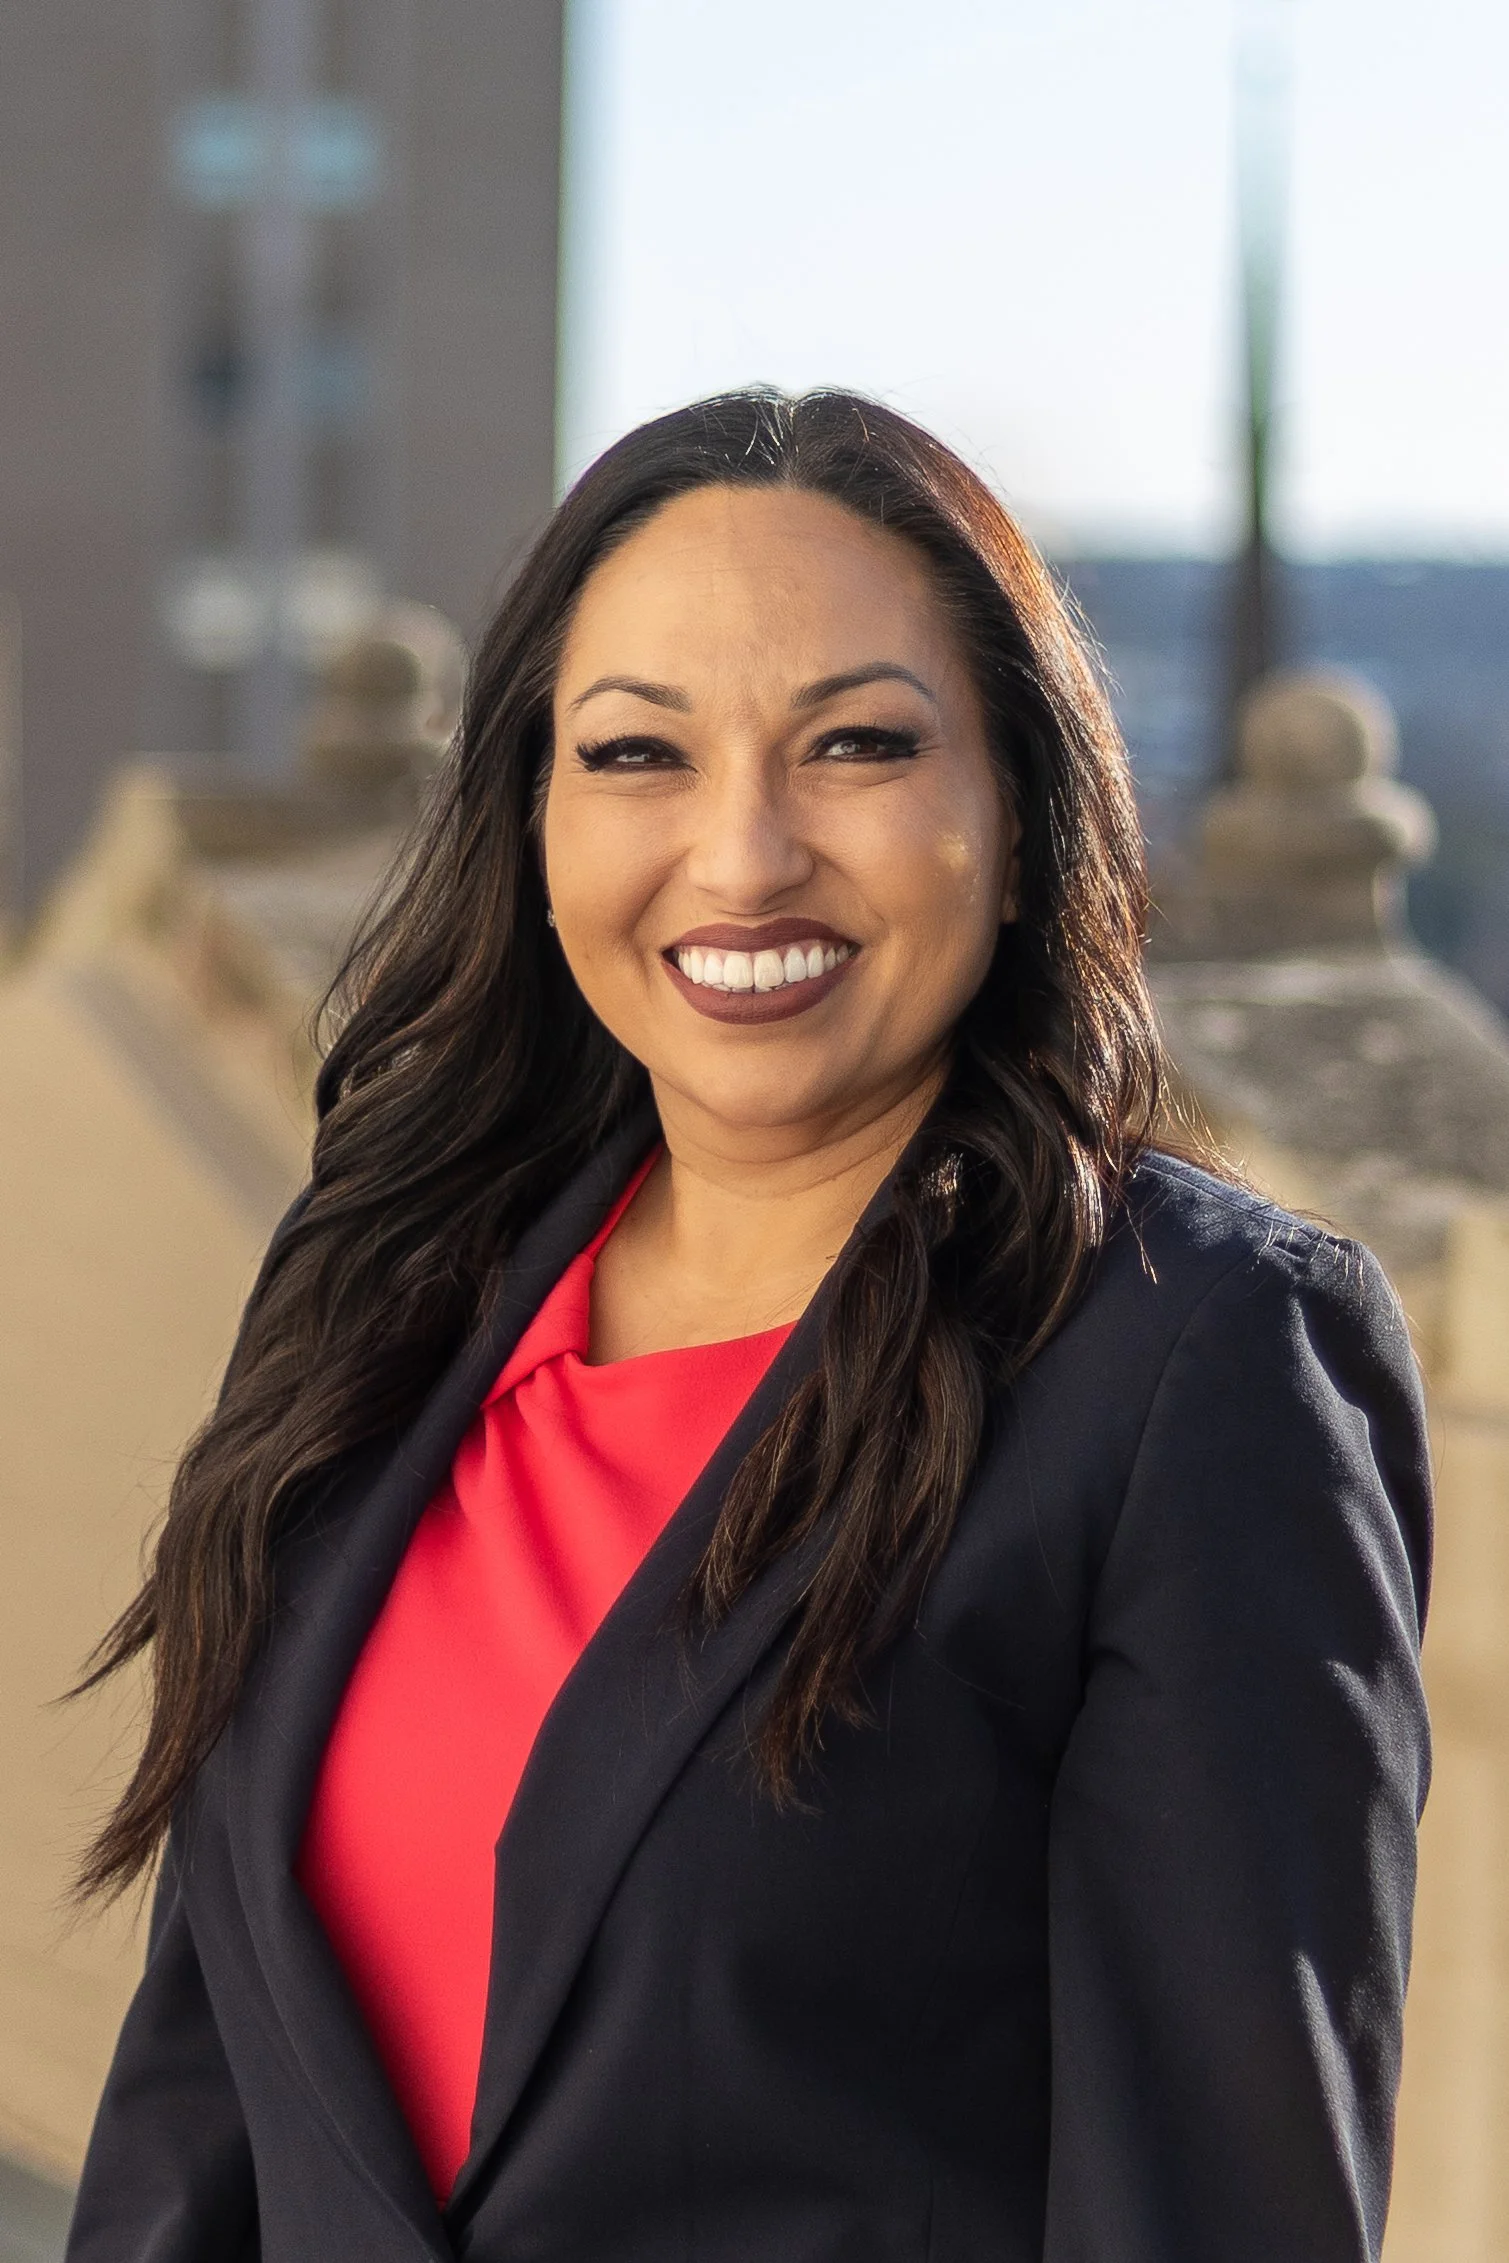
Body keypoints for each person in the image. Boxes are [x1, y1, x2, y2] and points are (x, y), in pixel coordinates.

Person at [66, 391, 1430, 2263]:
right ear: (532, 815)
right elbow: (199, 2110)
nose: (743, 857)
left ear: (1018, 808)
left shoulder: (1195, 1365)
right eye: (639, 754)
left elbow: (1219, 2214)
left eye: (857, 744)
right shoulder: (383, 1284)